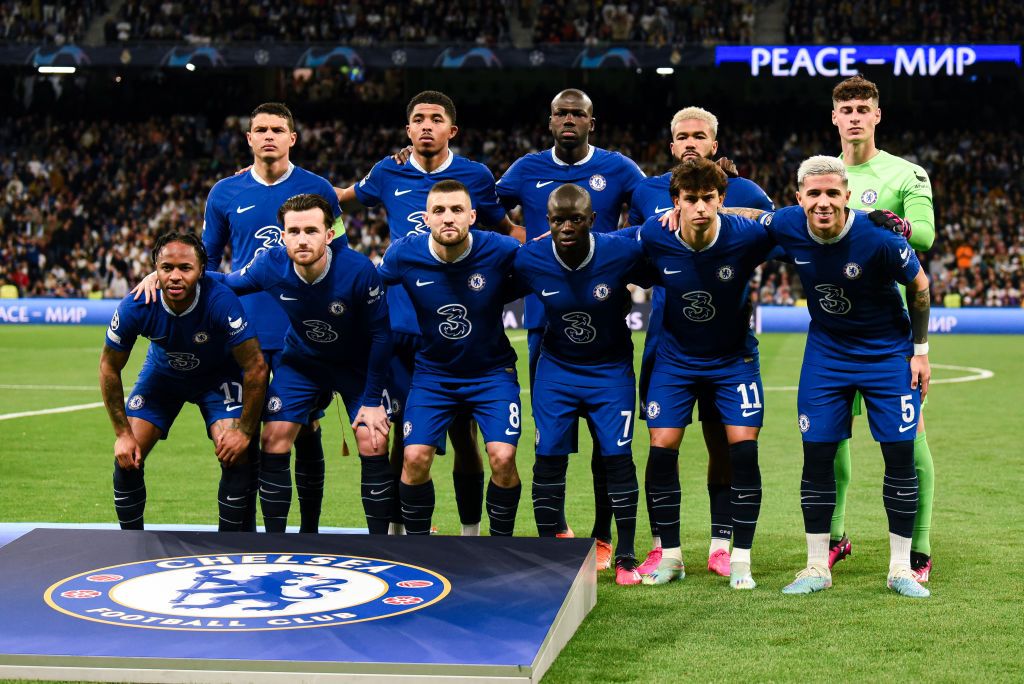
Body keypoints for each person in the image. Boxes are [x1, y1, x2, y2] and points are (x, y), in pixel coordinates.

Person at [731, 156, 930, 598]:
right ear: (799, 197)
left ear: (847, 196)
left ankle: (900, 569)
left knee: (899, 457)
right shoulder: (786, 224)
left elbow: (919, 285)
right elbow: (749, 217)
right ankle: (817, 566)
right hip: (827, 355)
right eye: (814, 194)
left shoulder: (879, 236)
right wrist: (703, 210)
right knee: (817, 456)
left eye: (832, 193)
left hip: (886, 355)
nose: (823, 202)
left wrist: (920, 353)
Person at [136, 195, 393, 534]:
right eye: (294, 231)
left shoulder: (359, 271)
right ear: (282, 236)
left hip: (356, 367)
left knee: (372, 439)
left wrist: (373, 401)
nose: (303, 239)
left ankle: (379, 547)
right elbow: (226, 282)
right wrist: (163, 275)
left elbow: (381, 336)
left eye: (312, 231)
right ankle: (276, 543)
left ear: (329, 235)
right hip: (302, 362)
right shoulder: (271, 264)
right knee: (273, 438)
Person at [336, 90, 520, 536]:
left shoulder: (474, 175)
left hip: (453, 331)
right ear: (407, 129)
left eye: (435, 119)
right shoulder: (389, 170)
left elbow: (504, 227)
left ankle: (472, 532)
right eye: (417, 119)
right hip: (401, 322)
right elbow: (336, 201)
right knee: (403, 434)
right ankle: (403, 531)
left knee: (464, 437)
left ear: (451, 129)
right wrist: (284, 181)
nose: (425, 126)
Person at [496, 88, 646, 565]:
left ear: (590, 121)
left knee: (610, 449)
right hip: (546, 329)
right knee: (552, 443)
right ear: (549, 119)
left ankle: (607, 537)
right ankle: (556, 535)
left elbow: (652, 205)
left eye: (577, 113)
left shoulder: (620, 169)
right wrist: (521, 237)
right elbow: (482, 203)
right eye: (560, 112)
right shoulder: (525, 169)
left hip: (605, 336)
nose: (568, 120)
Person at [628, 106, 776, 579]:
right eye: (682, 136)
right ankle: (666, 551)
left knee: (731, 445)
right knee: (661, 442)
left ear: (715, 142)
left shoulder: (746, 196)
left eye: (699, 135)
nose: (690, 142)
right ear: (671, 145)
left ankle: (726, 546)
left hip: (731, 352)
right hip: (670, 349)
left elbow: (786, 226)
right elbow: (624, 251)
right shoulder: (649, 207)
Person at [203, 102, 343, 534]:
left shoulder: (317, 187)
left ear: (292, 138)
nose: (268, 135)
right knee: (250, 434)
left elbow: (338, 255)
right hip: (244, 336)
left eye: (277, 129)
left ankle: (311, 530)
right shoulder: (224, 193)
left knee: (304, 427)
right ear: (248, 138)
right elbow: (206, 261)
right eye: (260, 128)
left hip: (301, 332)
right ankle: (245, 535)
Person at [829, 75, 937, 581]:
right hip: (832, 331)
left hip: (890, 333)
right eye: (845, 107)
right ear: (834, 117)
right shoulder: (822, 175)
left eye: (862, 107)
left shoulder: (905, 173)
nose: (854, 115)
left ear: (877, 116)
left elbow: (928, 236)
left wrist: (895, 223)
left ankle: (919, 546)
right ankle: (833, 537)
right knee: (829, 440)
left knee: (908, 439)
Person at [512, 184, 648, 585]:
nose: (566, 226)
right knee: (549, 457)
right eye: (558, 220)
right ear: (547, 223)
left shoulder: (622, 251)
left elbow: (664, 266)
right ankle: (549, 551)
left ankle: (625, 556)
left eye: (575, 219)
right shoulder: (530, 258)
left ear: (592, 220)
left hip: (610, 372)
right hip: (556, 370)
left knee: (617, 458)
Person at [379, 180, 523, 537]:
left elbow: (548, 266)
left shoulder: (501, 249)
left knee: (503, 458)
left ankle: (490, 547)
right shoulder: (403, 255)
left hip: (492, 373)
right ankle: (420, 549)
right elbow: (363, 290)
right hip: (433, 375)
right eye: (439, 210)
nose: (448, 218)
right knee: (413, 459)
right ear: (425, 217)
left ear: (472, 216)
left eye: (457, 210)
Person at [100, 233, 268, 531]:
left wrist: (243, 431)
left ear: (201, 270)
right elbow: (109, 367)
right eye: (166, 268)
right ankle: (128, 544)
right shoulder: (137, 304)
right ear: (155, 269)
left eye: (185, 268)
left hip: (218, 377)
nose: (175, 276)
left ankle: (228, 545)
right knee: (129, 454)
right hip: (164, 376)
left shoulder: (220, 301)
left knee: (235, 451)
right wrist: (122, 433)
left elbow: (255, 367)